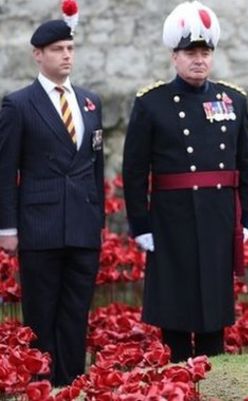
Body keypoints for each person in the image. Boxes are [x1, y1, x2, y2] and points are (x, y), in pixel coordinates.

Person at [122, 0, 248, 363]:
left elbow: (245, 164)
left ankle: (214, 371)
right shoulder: (152, 103)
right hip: (171, 218)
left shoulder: (234, 100)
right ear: (175, 57)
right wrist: (140, 224)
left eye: (205, 52)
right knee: (176, 303)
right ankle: (179, 371)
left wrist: (245, 220)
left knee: (215, 299)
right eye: (191, 52)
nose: (199, 59)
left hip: (217, 216)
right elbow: (134, 171)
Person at [0, 5, 104, 386]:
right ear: (38, 54)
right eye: (58, 49)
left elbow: (95, 165)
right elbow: (5, 169)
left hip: (81, 225)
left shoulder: (91, 102)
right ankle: (42, 385)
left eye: (70, 48)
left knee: (76, 312)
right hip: (39, 226)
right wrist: (6, 227)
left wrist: (98, 224)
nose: (66, 55)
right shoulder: (19, 103)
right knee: (41, 314)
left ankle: (72, 382)